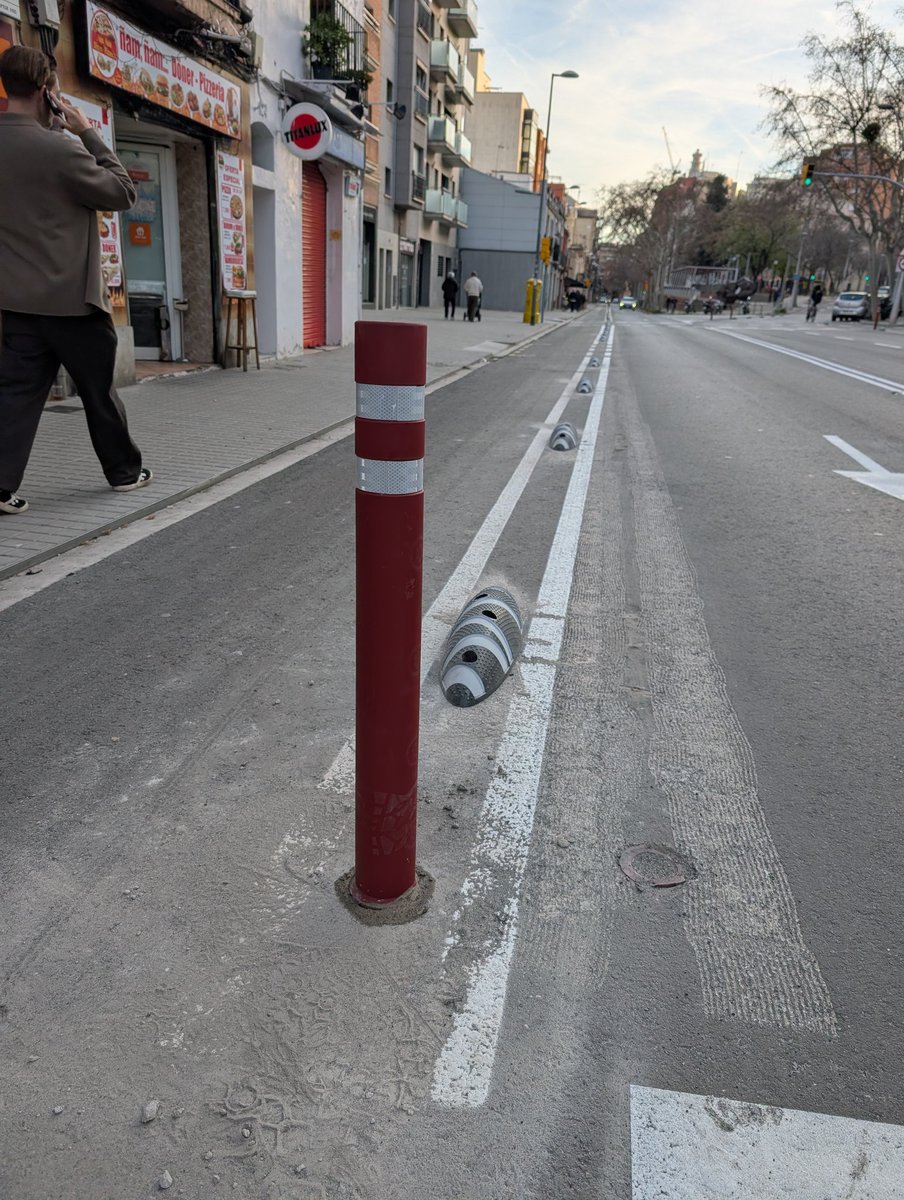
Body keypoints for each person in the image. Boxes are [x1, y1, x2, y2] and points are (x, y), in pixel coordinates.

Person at [0, 46, 149, 516]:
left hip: (15, 301)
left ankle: (2, 489)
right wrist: (86, 132)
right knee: (98, 391)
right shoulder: (60, 150)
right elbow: (123, 192)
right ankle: (124, 474)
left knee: (16, 399)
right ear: (47, 92)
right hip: (72, 303)